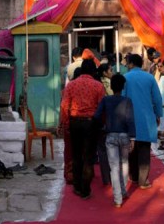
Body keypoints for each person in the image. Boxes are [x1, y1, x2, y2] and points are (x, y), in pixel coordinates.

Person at [58, 59, 106, 199]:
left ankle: (77, 186)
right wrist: (101, 124)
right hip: (91, 124)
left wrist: (66, 123)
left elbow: (65, 106)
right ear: (93, 71)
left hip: (75, 123)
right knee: (89, 156)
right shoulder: (98, 86)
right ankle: (86, 187)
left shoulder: (71, 86)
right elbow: (101, 108)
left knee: (76, 155)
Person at [93, 73, 136, 208]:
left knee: (114, 167)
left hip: (110, 135)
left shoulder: (106, 100)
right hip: (124, 136)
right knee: (124, 162)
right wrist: (133, 137)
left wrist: (103, 126)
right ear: (123, 87)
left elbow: (97, 116)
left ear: (111, 87)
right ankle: (123, 191)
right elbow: (130, 120)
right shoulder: (127, 101)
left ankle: (117, 199)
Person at [122, 53, 164, 189]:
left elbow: (122, 98)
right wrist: (158, 114)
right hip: (147, 118)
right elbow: (157, 99)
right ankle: (143, 180)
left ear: (131, 64)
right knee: (145, 149)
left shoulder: (125, 78)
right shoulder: (150, 78)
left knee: (132, 149)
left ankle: (133, 176)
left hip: (130, 118)